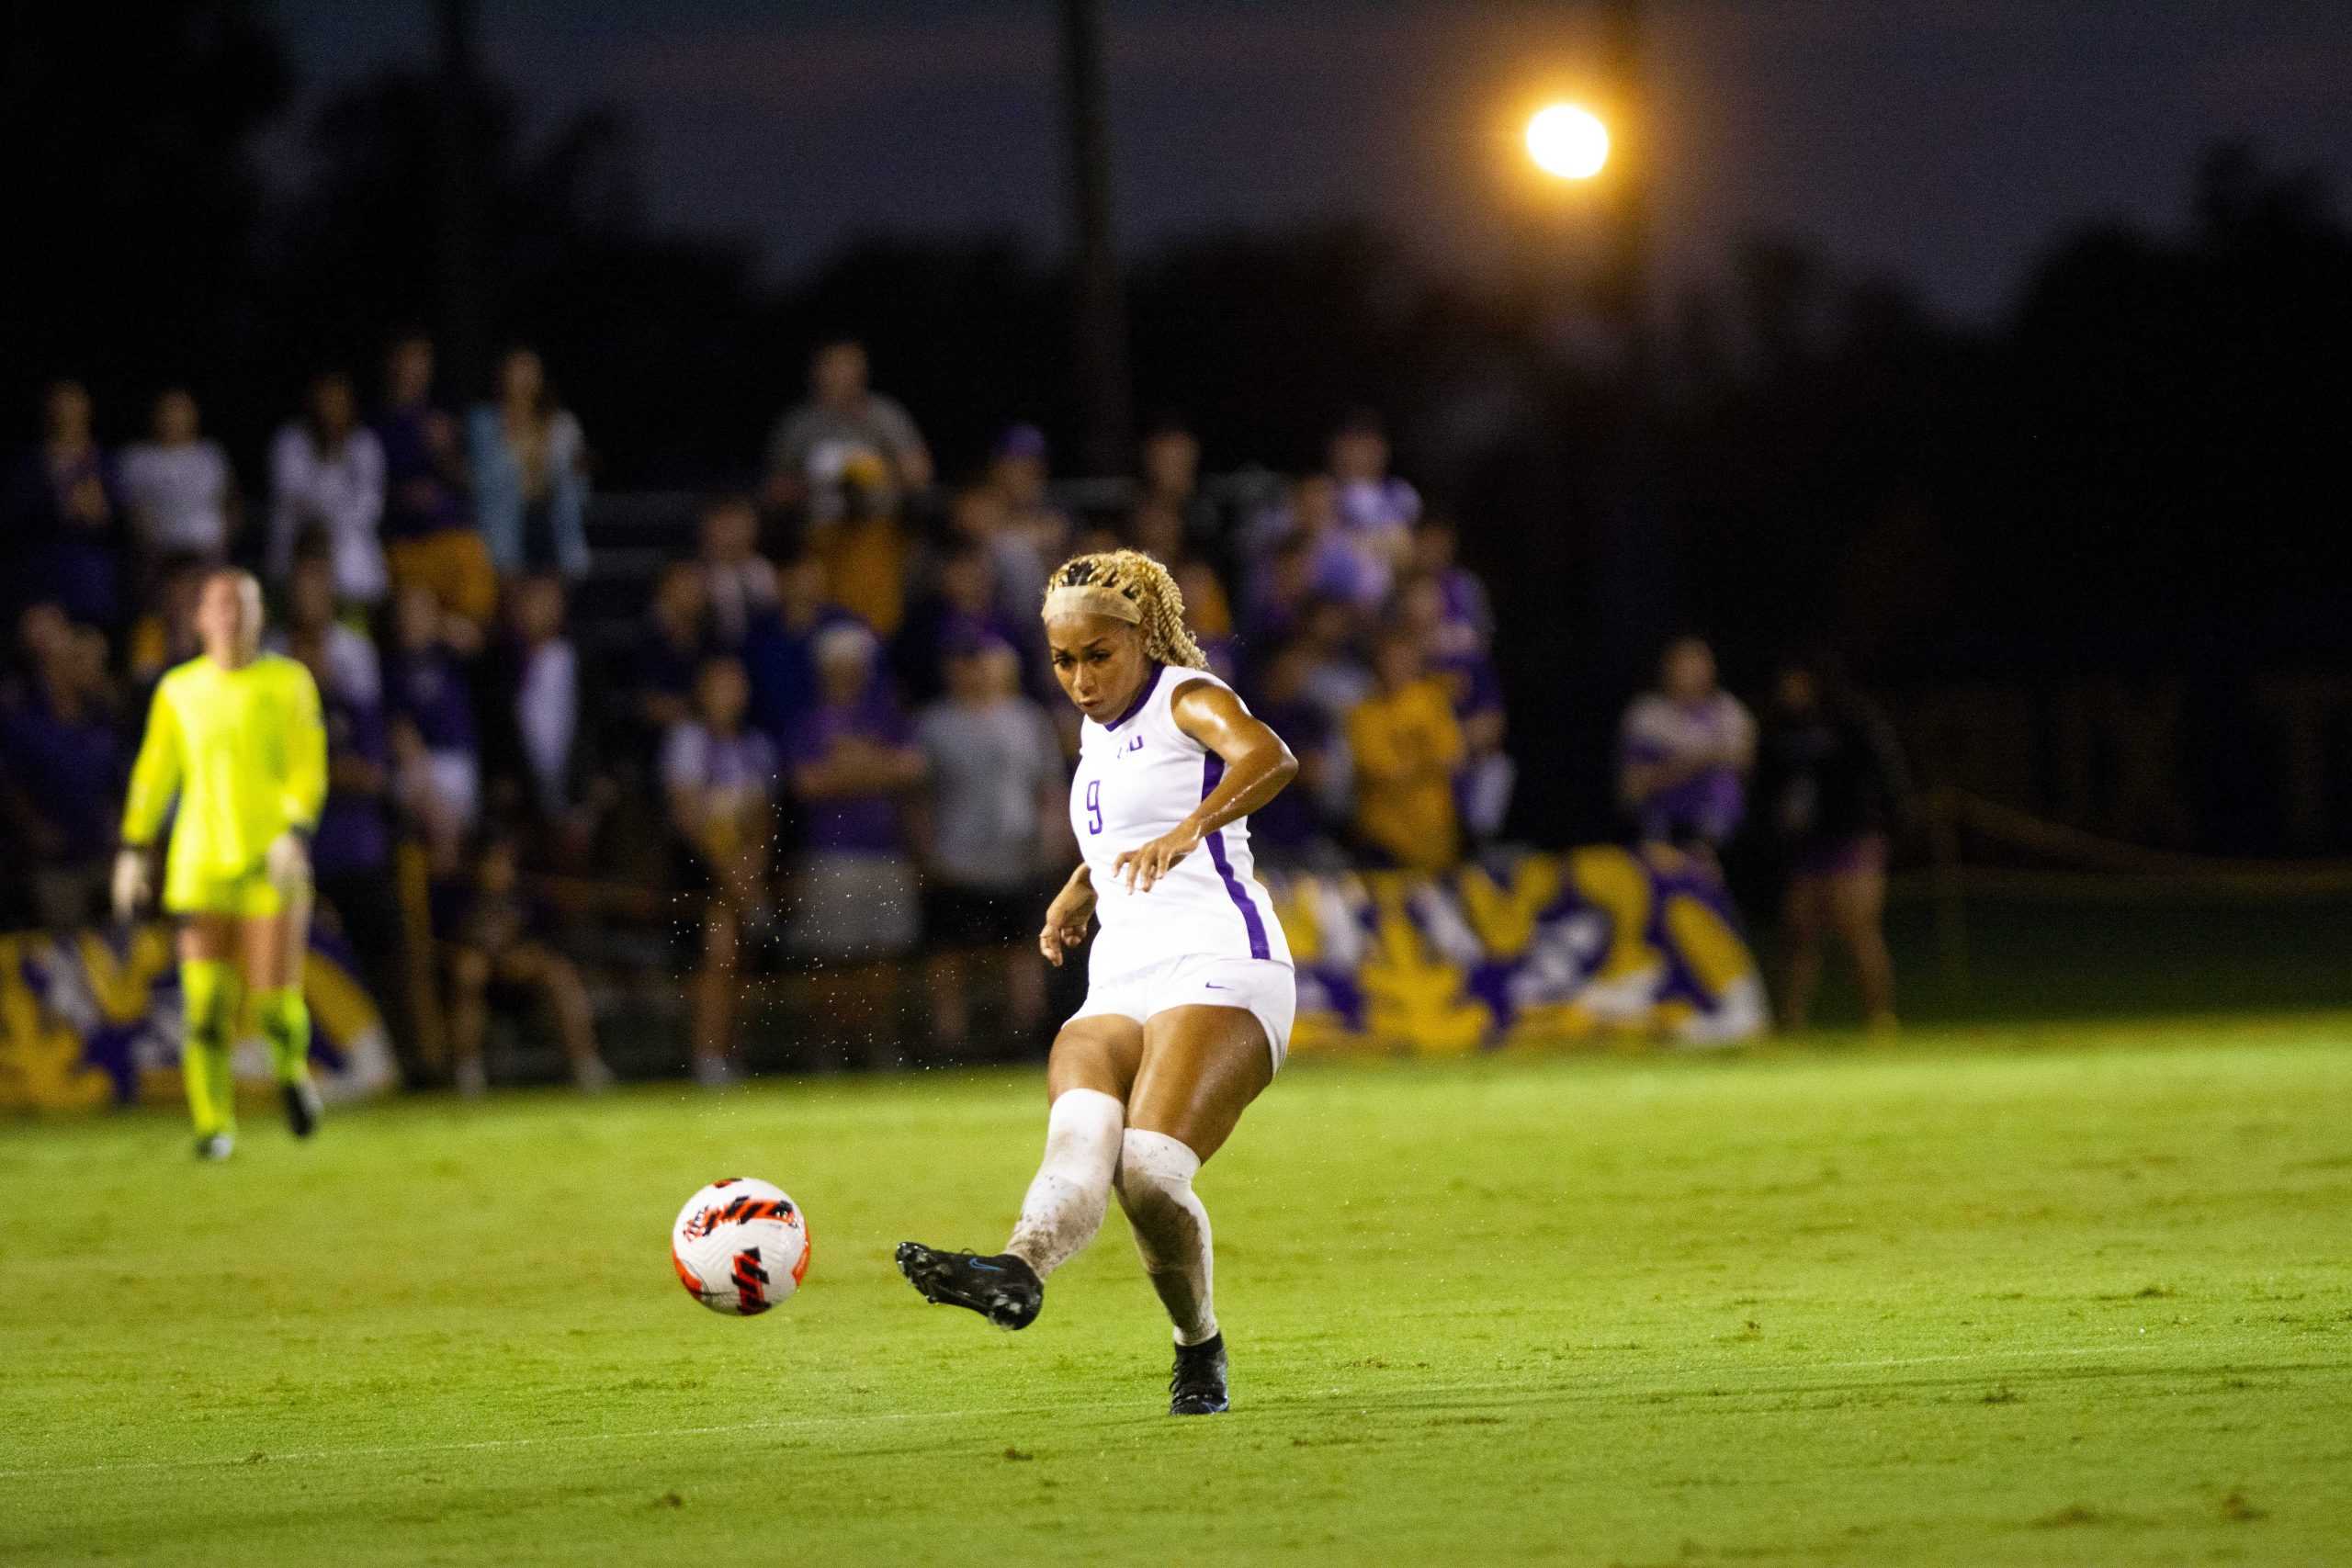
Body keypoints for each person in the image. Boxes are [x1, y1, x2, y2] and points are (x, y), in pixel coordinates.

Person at [896, 548, 1298, 1420]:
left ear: (1142, 636)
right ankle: (1019, 1267)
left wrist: (1193, 828)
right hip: (1123, 970)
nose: (1080, 678)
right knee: (1082, 1133)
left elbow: (1270, 758)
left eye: (1097, 656)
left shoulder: (1188, 693)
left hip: (1222, 960)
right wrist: (1082, 885)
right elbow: (1123, 823)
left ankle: (1201, 1346)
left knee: (1150, 1172)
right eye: (1063, 660)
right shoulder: (1093, 732)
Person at [113, 570, 327, 1159]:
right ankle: (214, 1126)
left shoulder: (288, 683)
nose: (233, 615)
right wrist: (133, 848)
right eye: (222, 605)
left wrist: (293, 829)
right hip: (199, 862)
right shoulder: (179, 690)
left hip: (269, 861)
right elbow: (156, 773)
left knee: (273, 1004)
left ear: (261, 616)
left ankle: (291, 1073)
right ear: (200, 618)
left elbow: (308, 766)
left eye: (245, 605)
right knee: (205, 1004)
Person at [910, 636, 1063, 1059]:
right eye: (964, 662)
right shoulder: (935, 724)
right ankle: (950, 1041)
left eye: (980, 661)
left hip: (1017, 856)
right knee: (949, 954)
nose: (974, 670)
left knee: (1023, 951)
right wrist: (924, 853)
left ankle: (1024, 1036)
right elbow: (919, 796)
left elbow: (1048, 788)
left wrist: (1050, 840)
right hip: (954, 858)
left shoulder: (1028, 720)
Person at [1756, 656, 1912, 1033]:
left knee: (1857, 929)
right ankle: (1790, 1026)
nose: (1789, 690)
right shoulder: (1778, 729)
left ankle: (1879, 1021)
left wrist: (1891, 823)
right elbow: (1765, 786)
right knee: (1798, 931)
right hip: (1806, 845)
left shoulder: (1853, 719)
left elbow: (1887, 776)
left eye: (1796, 680)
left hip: (1853, 838)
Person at [662, 656, 780, 1087]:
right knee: (717, 955)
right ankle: (706, 1055)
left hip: (746, 871)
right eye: (719, 685)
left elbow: (765, 819)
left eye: (736, 685)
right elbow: (687, 813)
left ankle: (734, 1053)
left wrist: (753, 867)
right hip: (699, 869)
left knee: (744, 963)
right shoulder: (687, 741)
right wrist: (730, 872)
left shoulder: (757, 746)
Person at [444, 834, 615, 1096]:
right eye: (494, 862)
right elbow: (443, 946)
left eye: (506, 862)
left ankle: (586, 1064)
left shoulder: (527, 897)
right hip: (478, 985)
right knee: (469, 970)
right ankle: (467, 1072)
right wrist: (489, 959)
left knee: (560, 973)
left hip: (525, 983)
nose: (501, 869)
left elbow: (549, 943)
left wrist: (524, 958)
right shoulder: (455, 896)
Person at [377, 332, 497, 624]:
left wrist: (444, 451)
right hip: (401, 544)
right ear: (394, 363)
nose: (416, 367)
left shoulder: (441, 419)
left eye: (423, 358)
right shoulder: (376, 424)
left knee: (475, 564)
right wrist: (401, 494)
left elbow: (469, 482)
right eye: (409, 357)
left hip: (447, 539)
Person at [762, 337, 932, 523]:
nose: (841, 373)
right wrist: (820, 481)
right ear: (816, 370)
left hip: (879, 527)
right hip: (817, 530)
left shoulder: (884, 414)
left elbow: (919, 473)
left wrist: (872, 475)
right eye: (832, 364)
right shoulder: (798, 424)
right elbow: (775, 488)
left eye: (849, 364)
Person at [1618, 636, 1756, 852]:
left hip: (1718, 836)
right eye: (1688, 664)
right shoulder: (1647, 715)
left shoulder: (1728, 710)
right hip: (1662, 831)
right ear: (1669, 668)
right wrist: (1694, 763)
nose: (1699, 671)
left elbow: (1743, 762)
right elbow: (1631, 789)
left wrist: (1695, 762)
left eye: (1703, 663)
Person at [1346, 627, 1466, 873]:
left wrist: (1412, 766)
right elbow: (1379, 772)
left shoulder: (1432, 701)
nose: (1396, 666)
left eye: (1404, 658)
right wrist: (1424, 761)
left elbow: (1452, 757)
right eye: (1389, 658)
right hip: (1384, 840)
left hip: (1435, 835)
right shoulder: (1363, 713)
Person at [469, 346, 590, 579]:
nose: (523, 378)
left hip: (552, 523)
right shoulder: (484, 422)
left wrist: (578, 472)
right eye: (516, 369)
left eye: (530, 370)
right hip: (502, 527)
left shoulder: (561, 425)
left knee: (549, 596)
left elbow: (579, 488)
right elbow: (482, 479)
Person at [267, 371, 388, 605]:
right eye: (325, 400)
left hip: (352, 570)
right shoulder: (289, 441)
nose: (330, 409)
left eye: (337, 401)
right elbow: (294, 499)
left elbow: (369, 508)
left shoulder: (364, 444)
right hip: (295, 560)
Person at [119, 388, 239, 569]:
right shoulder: (137, 458)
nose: (174, 418)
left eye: (181, 410)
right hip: (162, 558)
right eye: (168, 410)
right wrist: (154, 552)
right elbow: (135, 511)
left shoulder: (211, 454)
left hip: (209, 552)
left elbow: (230, 501)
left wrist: (222, 542)